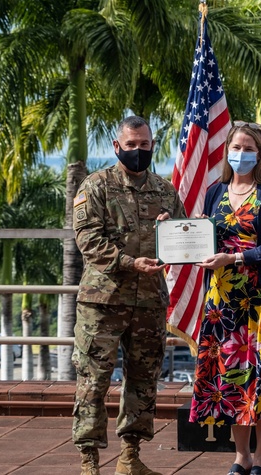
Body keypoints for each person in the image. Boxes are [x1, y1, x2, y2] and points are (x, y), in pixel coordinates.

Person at [71, 115, 186, 475]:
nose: (139, 151)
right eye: (131, 145)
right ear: (117, 147)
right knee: (93, 380)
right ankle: (89, 462)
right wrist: (128, 261)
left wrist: (175, 231)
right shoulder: (97, 186)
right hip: (103, 301)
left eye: (145, 144)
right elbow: (88, 240)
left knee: (143, 380)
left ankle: (130, 457)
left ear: (153, 145)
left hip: (149, 300)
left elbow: (183, 240)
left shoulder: (166, 191)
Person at [189, 121, 261, 475]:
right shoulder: (215, 191)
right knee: (232, 379)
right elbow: (204, 236)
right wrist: (178, 231)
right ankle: (241, 456)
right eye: (236, 147)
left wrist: (235, 258)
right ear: (226, 151)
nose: (241, 154)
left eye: (249, 148)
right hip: (224, 304)